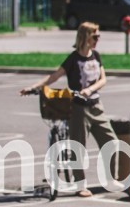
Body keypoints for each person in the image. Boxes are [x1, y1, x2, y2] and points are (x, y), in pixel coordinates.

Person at [20, 22, 118, 197]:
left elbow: (103, 79)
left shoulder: (95, 55)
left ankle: (111, 178)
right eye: (95, 36)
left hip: (96, 106)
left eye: (98, 36)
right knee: (78, 147)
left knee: (111, 141)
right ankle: (80, 185)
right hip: (78, 108)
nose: (97, 40)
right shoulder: (73, 58)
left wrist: (90, 89)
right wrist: (34, 87)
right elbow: (54, 76)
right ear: (85, 37)